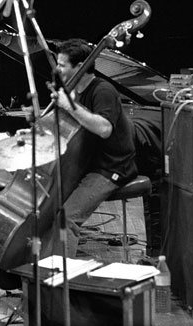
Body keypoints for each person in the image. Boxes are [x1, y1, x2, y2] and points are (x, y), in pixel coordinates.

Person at [44, 38, 137, 257]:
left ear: (80, 67)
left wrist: (71, 106)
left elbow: (104, 129)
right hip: (86, 163)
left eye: (62, 64)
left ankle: (63, 281)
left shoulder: (103, 91)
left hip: (111, 167)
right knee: (48, 208)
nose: (57, 69)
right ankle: (43, 267)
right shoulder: (72, 90)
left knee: (66, 218)